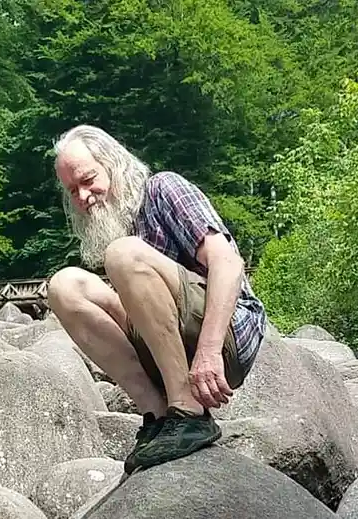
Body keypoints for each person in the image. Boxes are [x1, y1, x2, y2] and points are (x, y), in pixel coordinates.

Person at [47, 124, 267, 476]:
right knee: (64, 286)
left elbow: (229, 262)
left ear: (113, 164)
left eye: (88, 180)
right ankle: (159, 415)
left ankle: (189, 412)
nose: (84, 196)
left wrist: (209, 352)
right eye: (73, 190)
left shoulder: (164, 189)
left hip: (226, 335)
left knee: (122, 254)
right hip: (171, 344)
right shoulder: (121, 224)